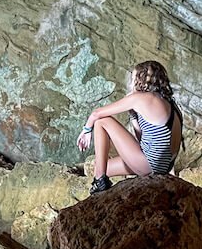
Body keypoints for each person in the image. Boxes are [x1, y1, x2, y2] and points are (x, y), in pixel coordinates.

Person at [77, 60, 183, 194]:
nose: (132, 83)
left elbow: (96, 113)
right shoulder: (171, 104)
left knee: (101, 121)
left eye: (133, 78)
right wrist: (133, 115)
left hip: (149, 165)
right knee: (103, 167)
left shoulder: (140, 98)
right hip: (164, 167)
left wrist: (86, 131)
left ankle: (99, 182)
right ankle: (101, 176)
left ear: (141, 79)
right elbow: (142, 140)